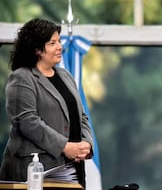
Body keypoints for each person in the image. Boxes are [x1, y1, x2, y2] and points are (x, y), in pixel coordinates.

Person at [0, 18, 94, 188]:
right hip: (33, 172)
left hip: (72, 169)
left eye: (59, 41)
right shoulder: (22, 77)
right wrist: (65, 146)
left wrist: (86, 144)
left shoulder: (65, 76)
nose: (60, 46)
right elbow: (27, 122)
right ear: (37, 49)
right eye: (53, 43)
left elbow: (82, 116)